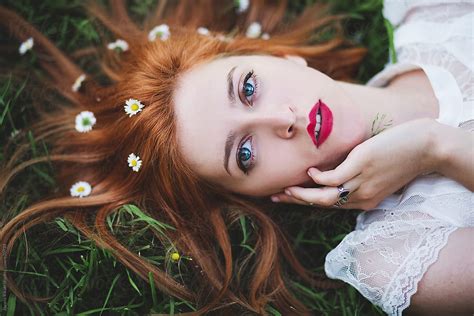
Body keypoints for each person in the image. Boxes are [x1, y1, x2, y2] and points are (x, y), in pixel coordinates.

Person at [0, 0, 472, 315]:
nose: (280, 121)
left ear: (283, 57)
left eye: (248, 87)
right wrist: (439, 149)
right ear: (265, 194)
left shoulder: (429, 8)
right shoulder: (402, 256)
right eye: (245, 153)